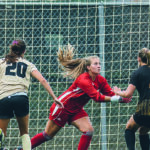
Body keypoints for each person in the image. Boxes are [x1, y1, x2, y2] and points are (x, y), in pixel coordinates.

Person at [30, 45, 131, 150]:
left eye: (99, 64)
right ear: (88, 67)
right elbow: (97, 97)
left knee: (89, 130)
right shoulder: (83, 79)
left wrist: (123, 96)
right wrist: (117, 99)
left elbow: (110, 94)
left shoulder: (100, 80)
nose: (99, 66)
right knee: (48, 135)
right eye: (95, 64)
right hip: (62, 107)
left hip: (76, 110)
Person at [0, 40, 62, 150]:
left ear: (11, 49)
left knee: (2, 132)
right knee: (24, 133)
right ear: (24, 51)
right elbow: (42, 80)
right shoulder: (28, 64)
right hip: (20, 98)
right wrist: (54, 97)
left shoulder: (1, 62)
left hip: (4, 98)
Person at [113, 48, 150, 150]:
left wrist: (117, 91)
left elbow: (128, 94)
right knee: (143, 130)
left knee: (129, 127)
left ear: (138, 59)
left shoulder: (137, 73)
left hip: (145, 108)